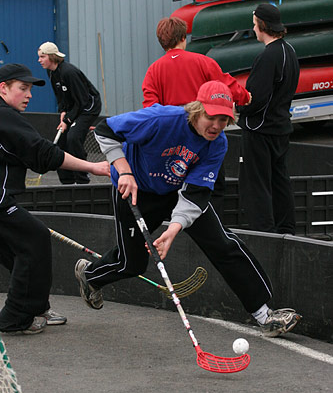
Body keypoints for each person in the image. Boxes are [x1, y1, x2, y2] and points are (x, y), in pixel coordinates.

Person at [74, 80, 301, 338]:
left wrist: (173, 228)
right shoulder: (161, 118)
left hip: (178, 191)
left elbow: (195, 193)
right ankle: (91, 276)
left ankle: (264, 314)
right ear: (197, 110)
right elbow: (105, 130)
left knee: (222, 243)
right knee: (131, 263)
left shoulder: (217, 144)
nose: (216, 126)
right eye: (211, 117)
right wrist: (123, 170)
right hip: (137, 189)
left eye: (224, 120)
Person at [0, 63, 110, 335]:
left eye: (30, 89)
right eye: (22, 88)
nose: (29, 95)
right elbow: (45, 153)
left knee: (17, 252)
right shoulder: (5, 116)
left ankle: (35, 307)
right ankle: (14, 319)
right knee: (34, 240)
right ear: (3, 89)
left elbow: (34, 157)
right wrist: (94, 167)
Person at [141, 17, 252, 219]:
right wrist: (246, 97)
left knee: (174, 185)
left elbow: (150, 109)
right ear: (184, 37)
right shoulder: (203, 62)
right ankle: (212, 228)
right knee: (213, 187)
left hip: (173, 141)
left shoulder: (153, 71)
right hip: (205, 137)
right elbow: (227, 86)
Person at [236, 3, 300, 234]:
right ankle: (286, 230)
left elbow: (256, 98)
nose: (253, 29)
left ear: (262, 25)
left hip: (260, 131)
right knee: (280, 181)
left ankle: (264, 234)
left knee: (257, 185)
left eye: (254, 25)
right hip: (281, 127)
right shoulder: (290, 51)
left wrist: (237, 108)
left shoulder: (267, 57)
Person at [37, 41, 102, 185]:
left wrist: (67, 120)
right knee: (61, 142)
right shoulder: (51, 72)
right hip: (75, 107)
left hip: (88, 108)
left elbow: (82, 101)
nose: (39, 60)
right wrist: (63, 112)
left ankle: (82, 179)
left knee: (73, 138)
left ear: (52, 57)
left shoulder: (69, 72)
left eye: (42, 57)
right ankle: (67, 181)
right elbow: (60, 96)